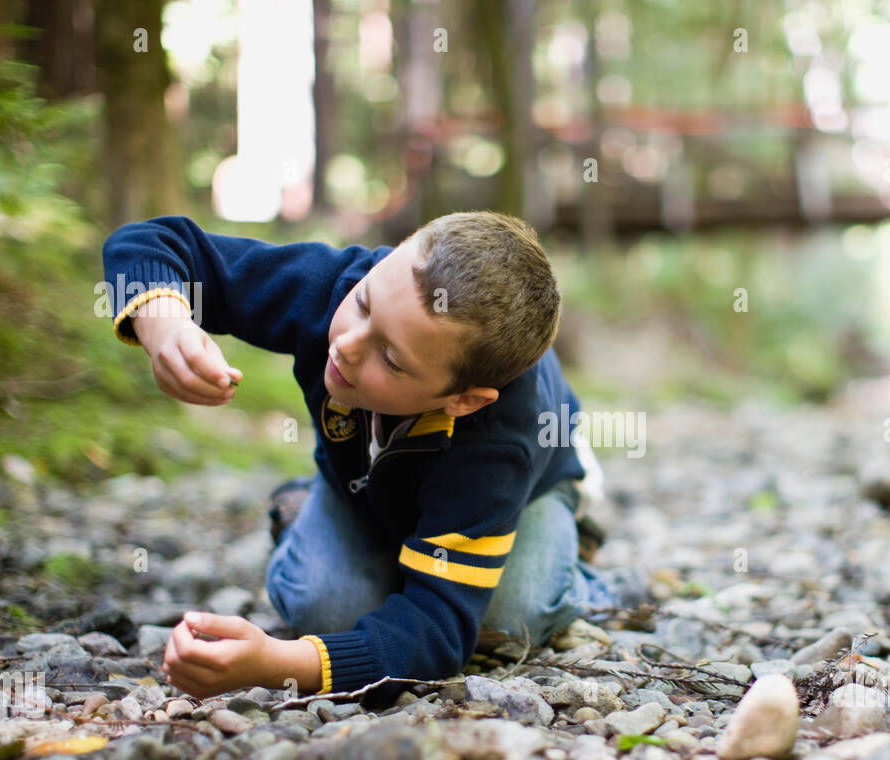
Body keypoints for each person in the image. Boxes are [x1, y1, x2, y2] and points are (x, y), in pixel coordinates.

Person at [101, 211, 643, 709]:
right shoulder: (342, 287)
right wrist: (165, 322)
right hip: (365, 479)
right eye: (362, 303)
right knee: (326, 607)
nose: (347, 345)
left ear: (463, 399)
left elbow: (438, 631)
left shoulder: (498, 444)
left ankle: (574, 559)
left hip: (527, 487)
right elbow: (152, 241)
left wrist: (276, 663)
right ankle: (309, 503)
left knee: (510, 617)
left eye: (390, 357)